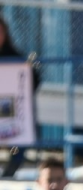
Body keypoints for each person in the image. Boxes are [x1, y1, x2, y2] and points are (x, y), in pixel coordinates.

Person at [0, 16, 40, 177]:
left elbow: (33, 81)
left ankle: (12, 169)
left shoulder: (14, 56)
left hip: (8, 108)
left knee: (21, 129)